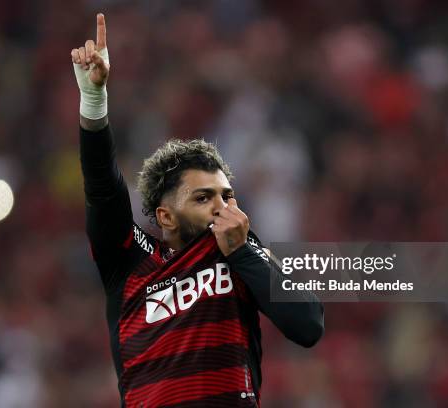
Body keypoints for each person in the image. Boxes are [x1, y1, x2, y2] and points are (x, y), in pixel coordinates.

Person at [72, 13, 324, 407]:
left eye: (225, 195)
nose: (221, 207)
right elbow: (104, 190)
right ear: (166, 216)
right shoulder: (130, 263)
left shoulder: (238, 252)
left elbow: (308, 325)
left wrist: (243, 251)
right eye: (203, 198)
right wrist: (94, 101)